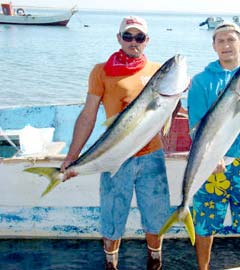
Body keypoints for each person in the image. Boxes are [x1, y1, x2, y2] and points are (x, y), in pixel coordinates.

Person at [60, 16, 171, 270]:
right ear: (119, 38)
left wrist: (178, 96)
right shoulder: (101, 71)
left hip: (151, 156)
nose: (134, 42)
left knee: (155, 218)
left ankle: (155, 261)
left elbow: (171, 114)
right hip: (115, 156)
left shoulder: (158, 71)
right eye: (128, 36)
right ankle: (111, 265)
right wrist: (72, 156)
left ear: (147, 41)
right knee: (112, 218)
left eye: (139, 37)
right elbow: (88, 115)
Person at [187, 21, 240, 269]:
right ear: (214, 46)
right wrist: (210, 157)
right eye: (220, 41)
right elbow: (196, 126)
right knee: (204, 224)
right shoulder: (201, 81)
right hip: (211, 164)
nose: (226, 45)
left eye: (231, 40)